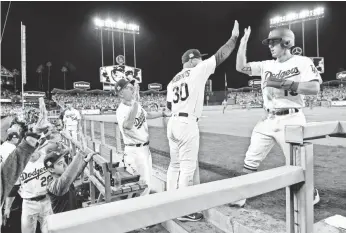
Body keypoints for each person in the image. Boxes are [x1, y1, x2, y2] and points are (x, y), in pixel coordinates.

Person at [235, 26, 322, 207]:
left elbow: (314, 88)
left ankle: (311, 193)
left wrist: (285, 83)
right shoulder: (267, 65)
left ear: (287, 42)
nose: (270, 46)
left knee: (297, 163)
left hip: (292, 118)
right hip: (267, 119)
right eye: (269, 43)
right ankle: (242, 194)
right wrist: (242, 43)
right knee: (251, 158)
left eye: (274, 42)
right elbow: (241, 67)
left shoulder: (303, 62)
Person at [165, 20, 239, 222]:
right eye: (198, 59)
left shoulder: (172, 80)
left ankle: (169, 201)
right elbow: (221, 55)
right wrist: (233, 38)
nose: (201, 61)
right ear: (191, 60)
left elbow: (169, 107)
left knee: (174, 165)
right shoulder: (198, 70)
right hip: (186, 123)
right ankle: (183, 210)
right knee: (187, 168)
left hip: (172, 123)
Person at [115, 79, 170, 196]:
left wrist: (162, 113)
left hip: (145, 149)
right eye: (128, 88)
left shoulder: (135, 105)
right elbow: (128, 125)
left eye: (132, 87)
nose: (132, 89)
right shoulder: (121, 110)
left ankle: (141, 209)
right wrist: (135, 104)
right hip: (134, 152)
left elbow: (147, 115)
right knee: (138, 187)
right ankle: (138, 211)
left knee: (146, 185)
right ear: (121, 93)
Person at [3, 141, 58, 233]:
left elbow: (60, 176)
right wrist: (8, 207)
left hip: (47, 200)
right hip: (28, 203)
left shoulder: (47, 159)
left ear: (37, 147)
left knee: (50, 230)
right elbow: (14, 188)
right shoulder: (19, 165)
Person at [44, 144, 96, 214]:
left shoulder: (61, 179)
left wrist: (85, 161)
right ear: (51, 169)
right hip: (63, 222)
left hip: (71, 217)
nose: (65, 165)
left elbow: (74, 174)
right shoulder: (53, 186)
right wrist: (80, 154)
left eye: (64, 161)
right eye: (60, 163)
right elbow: (67, 178)